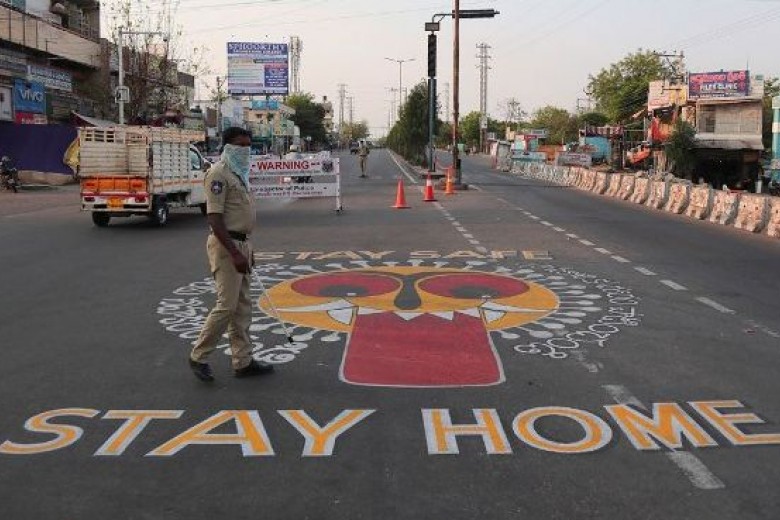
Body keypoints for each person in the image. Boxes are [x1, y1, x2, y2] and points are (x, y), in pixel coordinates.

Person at [189, 127, 274, 382]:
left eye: (248, 145)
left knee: (243, 307)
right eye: (240, 145)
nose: (245, 150)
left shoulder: (240, 174)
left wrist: (247, 251)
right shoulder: (218, 174)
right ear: (227, 146)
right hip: (226, 245)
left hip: (242, 243)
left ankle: (243, 361)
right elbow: (214, 218)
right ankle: (198, 356)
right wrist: (235, 253)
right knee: (226, 306)